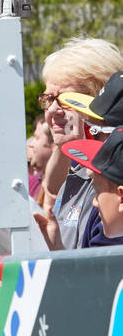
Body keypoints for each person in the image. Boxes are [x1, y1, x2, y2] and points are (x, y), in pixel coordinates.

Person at [36, 38, 123, 250]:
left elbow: (100, 275)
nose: (53, 109)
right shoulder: (74, 164)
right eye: (48, 99)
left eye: (67, 100)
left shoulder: (110, 177)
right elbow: (50, 191)